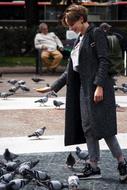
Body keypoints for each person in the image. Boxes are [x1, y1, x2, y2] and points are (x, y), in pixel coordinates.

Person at [36, 4, 127, 183]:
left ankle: (122, 163)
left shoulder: (96, 33)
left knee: (105, 129)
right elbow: (70, 70)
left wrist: (99, 85)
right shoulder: (80, 39)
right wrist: (52, 87)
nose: (71, 28)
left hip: (98, 89)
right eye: (68, 25)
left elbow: (104, 61)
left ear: (81, 19)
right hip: (84, 91)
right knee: (89, 130)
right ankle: (94, 167)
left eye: (72, 24)